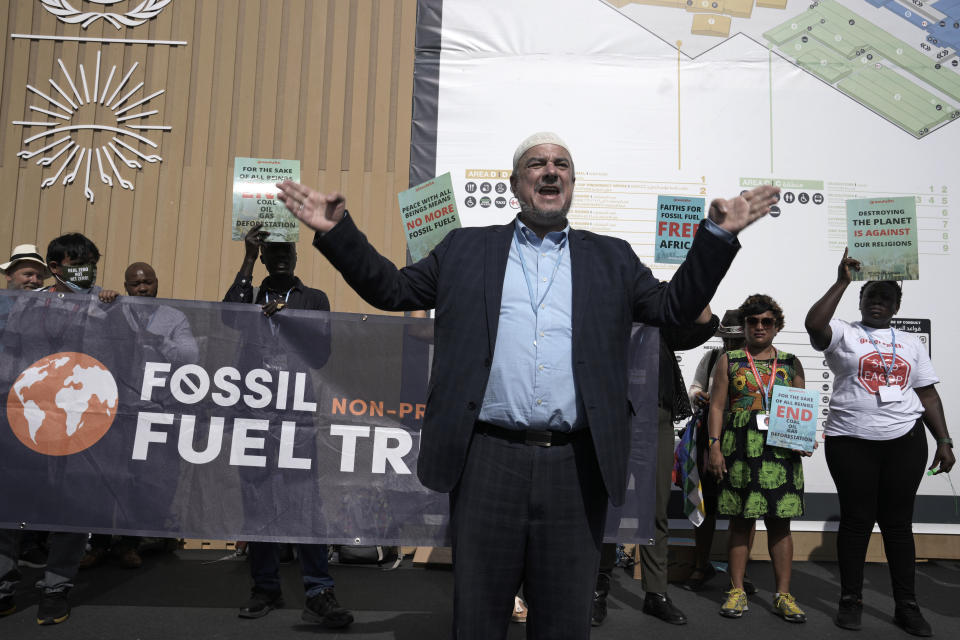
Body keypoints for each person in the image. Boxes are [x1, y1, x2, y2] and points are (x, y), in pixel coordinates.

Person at [277, 131, 779, 638]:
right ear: (516, 185)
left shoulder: (613, 258)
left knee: (564, 621)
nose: (550, 170)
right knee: (478, 617)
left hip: (576, 467)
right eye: (536, 163)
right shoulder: (466, 249)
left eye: (561, 164)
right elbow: (392, 289)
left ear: (572, 184)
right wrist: (337, 231)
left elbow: (673, 310)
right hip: (486, 460)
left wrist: (715, 238)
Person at [804, 250, 954, 636]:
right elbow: (813, 324)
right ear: (860, 300)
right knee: (856, 521)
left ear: (897, 305)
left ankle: (907, 605)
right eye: (871, 296)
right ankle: (850, 600)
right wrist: (842, 280)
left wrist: (944, 440)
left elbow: (929, 395)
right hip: (850, 440)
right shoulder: (844, 332)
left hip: (905, 440)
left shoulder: (910, 344)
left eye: (886, 298)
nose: (878, 302)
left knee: (898, 525)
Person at [223, 223, 352, 629]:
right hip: (255, 415)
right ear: (262, 257)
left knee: (304, 503)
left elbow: (322, 354)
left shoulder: (313, 299)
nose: (280, 256)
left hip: (296, 416)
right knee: (258, 501)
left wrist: (292, 320)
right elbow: (228, 316)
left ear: (297, 256)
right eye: (271, 251)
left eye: (286, 251)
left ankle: (318, 591)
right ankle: (265, 588)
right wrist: (245, 257)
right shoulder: (252, 294)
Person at [0, 233, 120, 625]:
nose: (88, 273)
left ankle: (56, 587)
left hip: (80, 420)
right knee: (9, 504)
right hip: (25, 416)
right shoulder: (26, 303)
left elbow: (126, 350)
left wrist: (113, 311)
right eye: (78, 265)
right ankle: (4, 583)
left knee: (71, 506)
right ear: (55, 268)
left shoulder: (109, 303)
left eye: (92, 265)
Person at [705, 294, 809, 622]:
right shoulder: (730, 360)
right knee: (740, 521)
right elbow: (718, 406)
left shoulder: (791, 362)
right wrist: (714, 446)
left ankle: (784, 595)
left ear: (777, 326)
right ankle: (736, 590)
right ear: (745, 326)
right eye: (753, 321)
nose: (759, 327)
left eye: (766, 321)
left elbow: (800, 406)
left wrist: (802, 438)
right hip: (739, 447)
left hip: (780, 449)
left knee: (781, 524)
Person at [682, 310, 757, 594]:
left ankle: (741, 573)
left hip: (747, 440)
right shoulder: (712, 357)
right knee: (707, 505)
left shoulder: (759, 363)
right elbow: (695, 387)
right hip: (711, 438)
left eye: (735, 339)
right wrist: (697, 396)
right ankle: (701, 566)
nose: (729, 344)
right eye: (726, 339)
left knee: (745, 508)